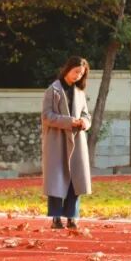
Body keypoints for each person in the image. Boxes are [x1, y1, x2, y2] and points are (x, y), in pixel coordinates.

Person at [42, 56, 92, 229]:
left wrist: (84, 122)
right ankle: (56, 217)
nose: (78, 76)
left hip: (77, 139)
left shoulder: (80, 93)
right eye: (76, 71)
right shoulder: (52, 90)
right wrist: (69, 121)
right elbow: (47, 116)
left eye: (81, 73)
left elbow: (86, 114)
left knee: (75, 179)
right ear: (67, 69)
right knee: (56, 178)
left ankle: (72, 216)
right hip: (56, 140)